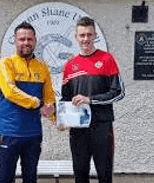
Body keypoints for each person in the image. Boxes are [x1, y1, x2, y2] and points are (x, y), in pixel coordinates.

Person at [59, 16, 125, 183]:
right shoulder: (70, 65)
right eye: (82, 35)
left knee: (104, 173)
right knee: (80, 174)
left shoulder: (107, 59)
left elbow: (118, 92)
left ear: (95, 35)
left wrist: (90, 100)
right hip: (78, 129)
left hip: (101, 126)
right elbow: (65, 98)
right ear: (76, 37)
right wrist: (61, 119)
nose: (86, 39)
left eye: (89, 35)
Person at [0, 21, 56, 183]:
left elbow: (49, 96)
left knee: (31, 178)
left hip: (33, 134)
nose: (26, 43)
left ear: (35, 41)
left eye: (29, 39)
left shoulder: (42, 67)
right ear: (15, 41)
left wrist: (52, 111)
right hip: (10, 132)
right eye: (22, 39)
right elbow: (10, 92)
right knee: (6, 179)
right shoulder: (5, 64)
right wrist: (36, 103)